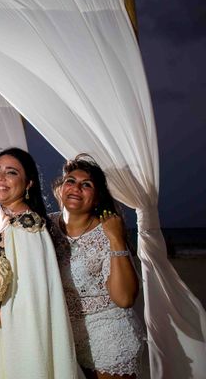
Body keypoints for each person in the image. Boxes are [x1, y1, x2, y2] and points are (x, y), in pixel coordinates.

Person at [0, 147, 77, 379]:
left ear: (29, 183)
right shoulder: (0, 222)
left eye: (11, 173)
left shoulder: (26, 227)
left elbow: (33, 298)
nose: (0, 178)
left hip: (12, 336)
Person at [49, 154, 144, 378]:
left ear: (97, 196)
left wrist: (117, 239)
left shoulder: (107, 233)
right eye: (70, 181)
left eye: (86, 185)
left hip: (109, 339)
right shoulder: (45, 226)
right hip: (62, 339)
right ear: (61, 188)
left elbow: (125, 299)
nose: (76, 188)